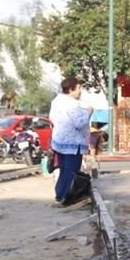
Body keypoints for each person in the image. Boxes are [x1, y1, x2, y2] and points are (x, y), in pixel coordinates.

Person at [49, 76, 92, 204]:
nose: (80, 91)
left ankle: (59, 195)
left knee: (64, 170)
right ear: (71, 89)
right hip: (73, 143)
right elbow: (79, 123)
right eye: (78, 88)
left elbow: (52, 118)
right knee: (72, 171)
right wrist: (89, 112)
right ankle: (67, 197)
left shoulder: (56, 101)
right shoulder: (72, 104)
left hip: (60, 141)